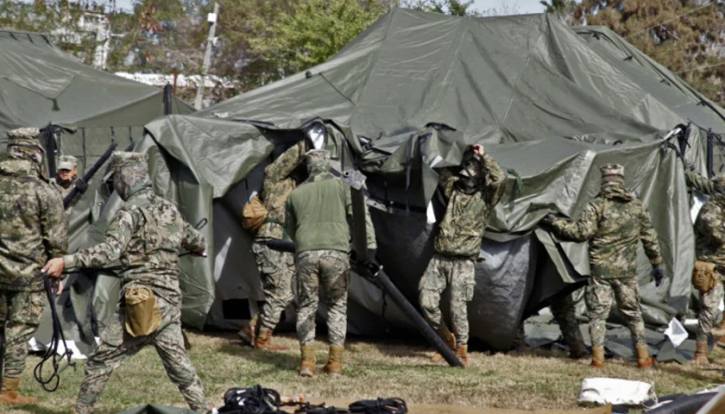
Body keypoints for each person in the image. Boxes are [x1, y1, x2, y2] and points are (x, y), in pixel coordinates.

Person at [43, 152, 209, 414]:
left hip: (141, 303)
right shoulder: (169, 208)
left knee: (101, 361)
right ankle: (203, 410)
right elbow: (197, 240)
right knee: (180, 367)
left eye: (116, 180)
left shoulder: (128, 213)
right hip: (169, 305)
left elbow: (108, 251)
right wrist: (196, 249)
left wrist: (66, 262)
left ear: (124, 179)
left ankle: (81, 411)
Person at [543, 164, 663, 369]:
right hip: (627, 272)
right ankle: (643, 358)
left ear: (604, 181)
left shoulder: (596, 205)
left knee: (598, 316)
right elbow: (650, 238)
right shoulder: (637, 206)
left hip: (601, 271)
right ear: (622, 181)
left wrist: (555, 223)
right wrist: (657, 264)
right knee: (633, 314)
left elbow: (581, 233)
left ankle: (598, 359)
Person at [285, 149, 376, 377]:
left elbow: (289, 232)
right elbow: (360, 217)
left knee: (306, 306)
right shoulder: (342, 186)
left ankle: (307, 363)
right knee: (336, 306)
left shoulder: (295, 194)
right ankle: (334, 364)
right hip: (336, 254)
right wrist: (369, 247)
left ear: (308, 167)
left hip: (306, 254)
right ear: (327, 164)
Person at [418, 144, 506, 366]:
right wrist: (458, 152)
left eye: (473, 169)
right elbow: (442, 170)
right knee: (426, 300)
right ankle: (446, 340)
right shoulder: (453, 189)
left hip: (463, 261)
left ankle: (462, 350)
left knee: (458, 308)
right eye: (467, 168)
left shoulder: (486, 197)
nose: (469, 173)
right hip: (440, 257)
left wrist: (483, 156)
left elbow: (500, 178)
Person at [0, 127, 68, 405]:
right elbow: (56, 236)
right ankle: (8, 392)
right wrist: (58, 267)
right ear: (34, 153)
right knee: (18, 331)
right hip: (29, 275)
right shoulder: (44, 189)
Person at [238, 140, 308, 351]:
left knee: (281, 292)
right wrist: (307, 144)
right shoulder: (275, 179)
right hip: (273, 242)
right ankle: (262, 340)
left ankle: (251, 330)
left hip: (282, 244)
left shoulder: (298, 184)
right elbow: (274, 168)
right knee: (280, 293)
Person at [685, 169, 725, 363]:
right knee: (709, 309)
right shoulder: (710, 212)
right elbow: (718, 236)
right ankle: (700, 352)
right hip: (713, 266)